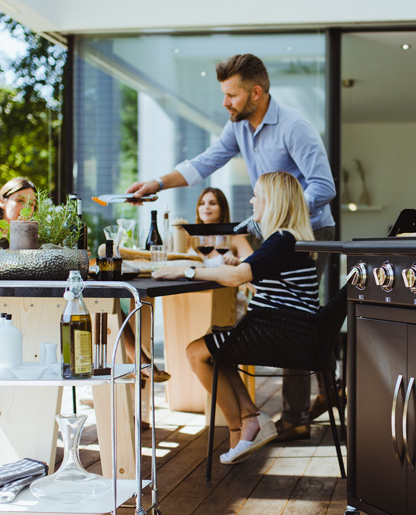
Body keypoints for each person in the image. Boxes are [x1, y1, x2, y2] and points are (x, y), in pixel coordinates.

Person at [127, 53, 335, 441]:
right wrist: (156, 183)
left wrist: (281, 219)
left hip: (306, 232)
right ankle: (276, 405)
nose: (225, 103)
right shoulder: (238, 126)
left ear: (255, 92)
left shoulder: (294, 127)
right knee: (276, 307)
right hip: (271, 228)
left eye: (231, 95)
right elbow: (204, 162)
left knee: (291, 315)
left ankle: (294, 417)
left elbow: (324, 187)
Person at [153, 171, 318, 464]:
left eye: (257, 196)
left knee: (195, 352)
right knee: (214, 348)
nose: (253, 201)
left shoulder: (281, 239)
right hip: (289, 331)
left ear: (273, 201)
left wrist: (185, 270)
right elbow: (257, 276)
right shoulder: (289, 238)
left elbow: (236, 277)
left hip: (277, 333)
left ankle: (242, 425)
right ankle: (250, 420)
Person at [190, 187, 253, 266]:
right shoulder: (189, 236)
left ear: (222, 209)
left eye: (212, 203)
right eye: (202, 203)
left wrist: (237, 262)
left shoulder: (234, 237)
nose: (206, 207)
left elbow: (254, 264)